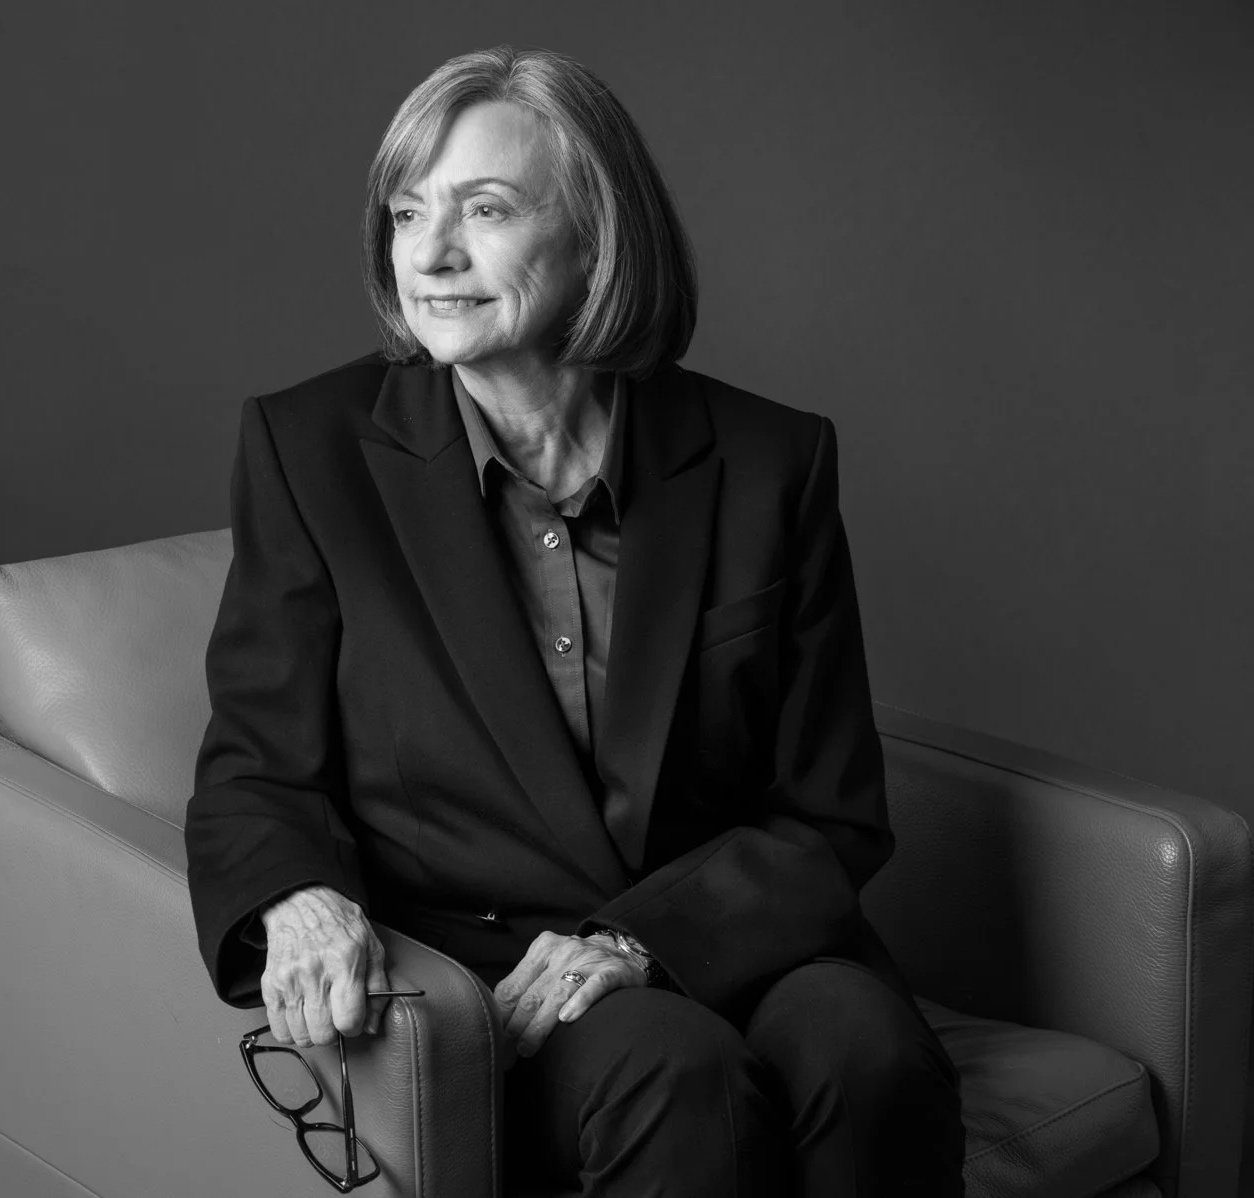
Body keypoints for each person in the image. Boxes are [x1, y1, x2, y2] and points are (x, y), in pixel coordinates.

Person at [185, 44, 965, 1196]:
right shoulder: (309, 451)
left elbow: (829, 811)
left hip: (726, 935)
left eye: (484, 209)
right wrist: (296, 896)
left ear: (598, 234)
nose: (430, 254)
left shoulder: (767, 461)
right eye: (408, 213)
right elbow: (257, 763)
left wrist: (640, 943)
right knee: (673, 1067)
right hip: (492, 975)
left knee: (871, 1049)